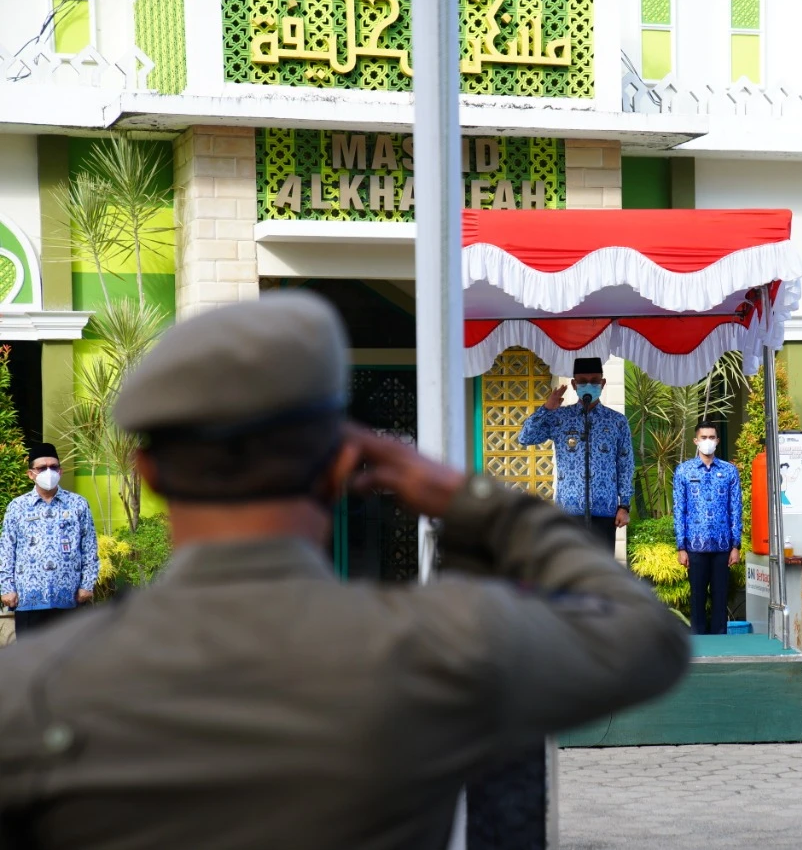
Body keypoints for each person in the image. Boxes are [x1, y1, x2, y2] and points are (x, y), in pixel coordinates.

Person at [0, 292, 690, 849]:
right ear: (340, 465)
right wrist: (468, 498)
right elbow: (646, 636)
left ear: (147, 474)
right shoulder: (437, 646)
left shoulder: (33, 688)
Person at [518, 357, 634, 550]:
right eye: (582, 381)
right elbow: (525, 437)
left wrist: (624, 506)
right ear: (573, 384)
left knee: (600, 570)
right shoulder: (560, 417)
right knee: (571, 566)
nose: (588, 385)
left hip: (605, 510)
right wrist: (546, 409)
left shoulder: (617, 421)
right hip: (569, 510)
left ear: (603, 383)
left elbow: (625, 464)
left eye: (594, 381)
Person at [0, 443, 98, 638]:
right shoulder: (17, 507)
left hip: (70, 598)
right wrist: (6, 588)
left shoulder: (78, 504)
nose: (48, 472)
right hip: (28, 598)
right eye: (42, 468)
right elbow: (6, 549)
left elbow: (89, 547)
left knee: (70, 657)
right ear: (31, 474)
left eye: (53, 467)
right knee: (30, 660)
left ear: (60, 472)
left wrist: (87, 585)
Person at [673, 420, 742, 635]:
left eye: (712, 437)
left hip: (723, 546)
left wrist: (736, 545)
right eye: (704, 438)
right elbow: (679, 509)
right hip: (695, 545)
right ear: (696, 441)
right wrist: (681, 546)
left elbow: (735, 508)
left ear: (718, 441)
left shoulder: (729, 471)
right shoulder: (684, 471)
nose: (708, 441)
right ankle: (699, 643)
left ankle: (720, 642)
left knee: (720, 597)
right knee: (697, 598)